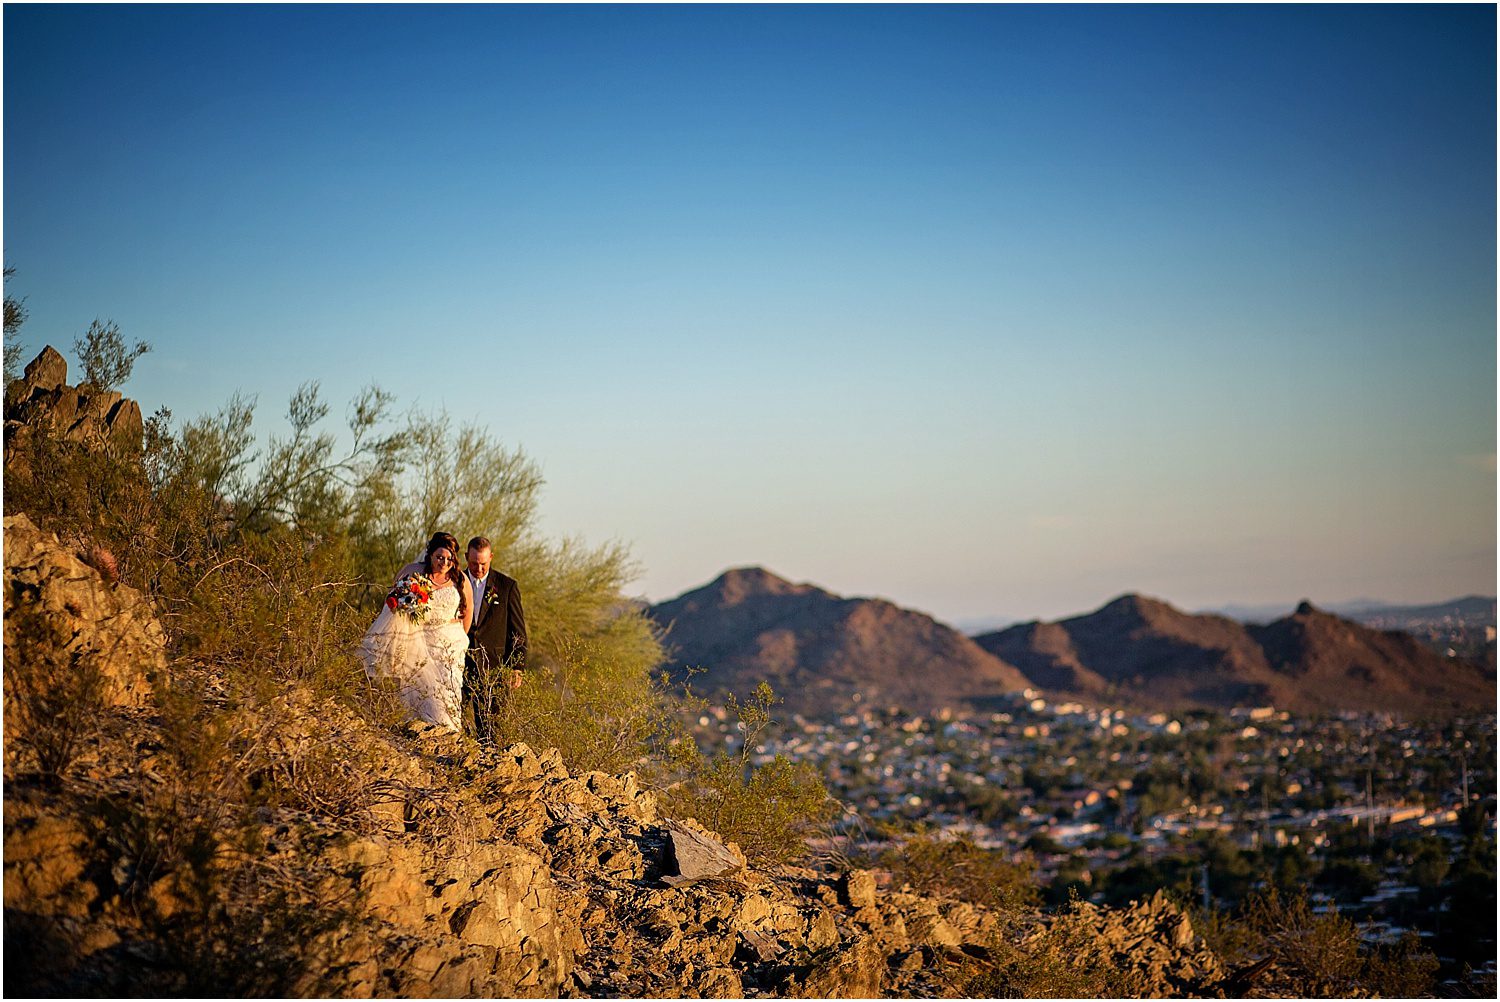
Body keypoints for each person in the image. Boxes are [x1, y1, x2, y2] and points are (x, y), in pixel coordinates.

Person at [360, 532, 471, 731]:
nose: (444, 563)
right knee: (418, 689)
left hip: (450, 645)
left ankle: (449, 733)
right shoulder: (414, 572)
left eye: (449, 559)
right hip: (420, 640)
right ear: (430, 555)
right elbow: (392, 601)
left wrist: (459, 638)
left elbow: (468, 612)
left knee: (449, 689)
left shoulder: (460, 579)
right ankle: (420, 732)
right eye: (439, 557)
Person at [461, 535, 527, 742]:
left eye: (483, 563)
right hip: (460, 663)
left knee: (491, 728)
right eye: (473, 563)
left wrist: (517, 666)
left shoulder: (507, 586)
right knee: (453, 718)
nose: (478, 569)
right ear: (466, 558)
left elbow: (517, 631)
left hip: (494, 666)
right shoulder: (456, 582)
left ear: (491, 557)